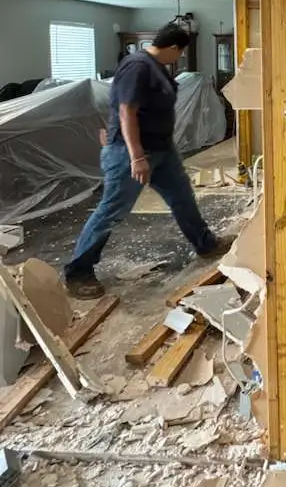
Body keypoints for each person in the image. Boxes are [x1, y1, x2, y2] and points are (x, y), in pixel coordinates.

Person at [64, 24, 221, 298]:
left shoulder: (156, 67)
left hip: (162, 150)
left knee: (182, 196)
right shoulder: (137, 66)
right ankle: (78, 272)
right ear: (173, 47)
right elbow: (126, 110)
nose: (179, 58)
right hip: (133, 153)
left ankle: (205, 244)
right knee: (113, 209)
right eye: (180, 53)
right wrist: (136, 156)